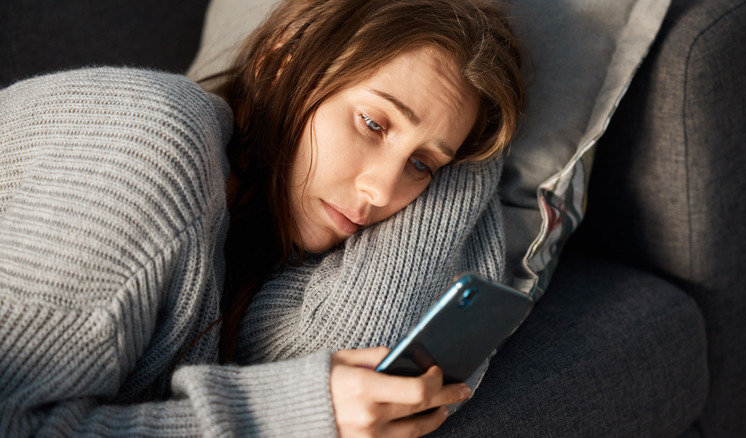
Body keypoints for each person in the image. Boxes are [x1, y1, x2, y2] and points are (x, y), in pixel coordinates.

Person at [0, 0, 523, 436]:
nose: (383, 190)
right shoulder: (150, 148)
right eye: (372, 122)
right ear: (281, 62)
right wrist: (279, 418)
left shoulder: (260, 251)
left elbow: (354, 344)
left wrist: (466, 161)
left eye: (421, 165)